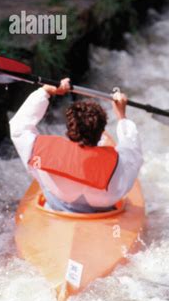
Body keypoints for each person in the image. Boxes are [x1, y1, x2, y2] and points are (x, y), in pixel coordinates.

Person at [9, 79, 143, 213]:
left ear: (69, 130)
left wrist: (45, 91)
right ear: (101, 132)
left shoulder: (39, 152)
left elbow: (19, 127)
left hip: (56, 207)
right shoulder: (119, 164)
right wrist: (122, 116)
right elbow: (132, 149)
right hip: (104, 212)